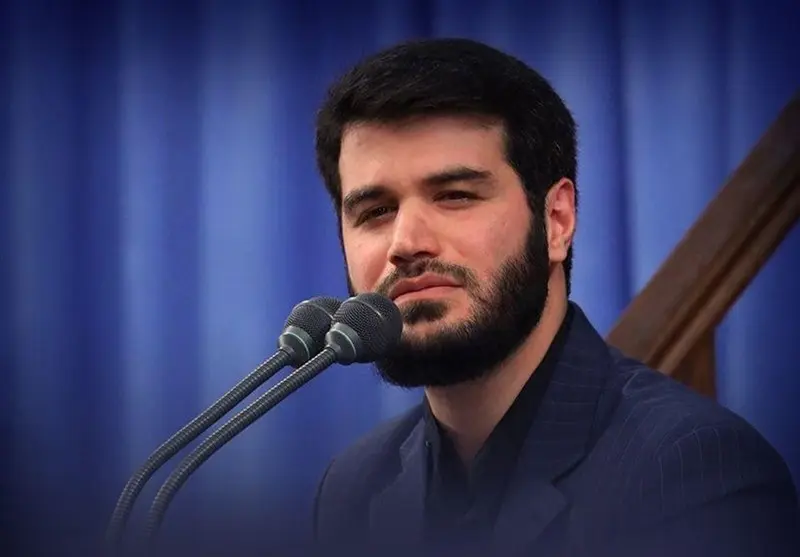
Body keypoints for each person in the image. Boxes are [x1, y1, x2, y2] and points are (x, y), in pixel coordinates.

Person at [309, 38, 799, 557]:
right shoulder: (353, 488)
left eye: (455, 196)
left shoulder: (693, 472)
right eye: (375, 212)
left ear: (557, 220)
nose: (406, 243)